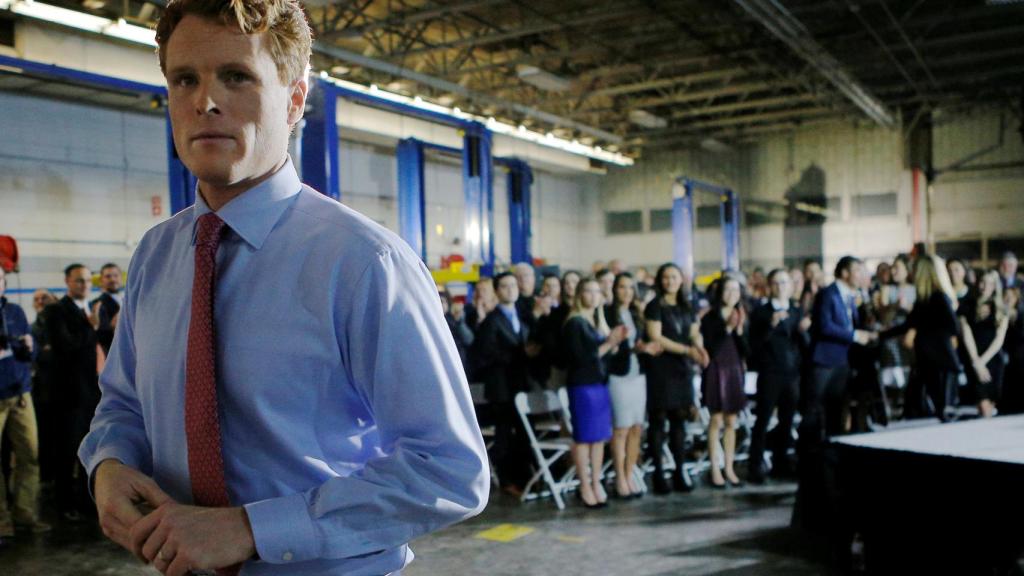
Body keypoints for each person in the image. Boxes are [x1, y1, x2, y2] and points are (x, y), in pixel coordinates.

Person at [78, 2, 488, 573]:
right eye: (184, 80)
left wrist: (251, 529)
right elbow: (123, 404)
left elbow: (447, 467)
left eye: (236, 76)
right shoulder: (157, 255)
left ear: (295, 100)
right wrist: (109, 465)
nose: (205, 102)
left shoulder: (363, 263)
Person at [644, 263, 708, 494]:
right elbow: (655, 336)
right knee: (658, 421)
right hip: (661, 368)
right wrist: (686, 351)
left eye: (674, 277)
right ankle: (659, 473)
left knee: (679, 422)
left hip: (681, 369)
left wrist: (699, 348)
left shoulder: (686, 305)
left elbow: (694, 332)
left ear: (681, 280)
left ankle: (680, 471)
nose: (670, 281)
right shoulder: (655, 306)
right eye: (666, 277)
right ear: (660, 281)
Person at [563, 277, 627, 508]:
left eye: (596, 291)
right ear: (580, 295)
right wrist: (609, 343)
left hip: (599, 384)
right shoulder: (575, 323)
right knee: (583, 438)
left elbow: (605, 354)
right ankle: (585, 485)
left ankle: (597, 481)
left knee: (599, 437)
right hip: (582, 385)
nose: (593, 296)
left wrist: (613, 343)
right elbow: (582, 358)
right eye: (588, 292)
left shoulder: (595, 321)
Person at [46, 263, 99, 522]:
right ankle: (64, 504)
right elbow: (66, 346)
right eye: (79, 280)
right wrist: (91, 328)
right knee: (67, 452)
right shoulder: (56, 310)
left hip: (91, 393)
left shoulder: (89, 308)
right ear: (67, 281)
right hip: (69, 395)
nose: (85, 285)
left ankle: (86, 502)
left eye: (88, 280)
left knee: (89, 451)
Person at [0, 268, 51, 537]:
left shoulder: (15, 313)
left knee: (29, 456)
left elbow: (28, 356)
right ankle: (1, 522)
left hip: (20, 393)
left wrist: (29, 346)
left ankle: (25, 514)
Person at [475, 272, 536, 497]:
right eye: (504, 286)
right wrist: (519, 353)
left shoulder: (522, 317)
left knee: (522, 434)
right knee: (504, 436)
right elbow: (484, 355)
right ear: (497, 291)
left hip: (520, 384)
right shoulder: (492, 321)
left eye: (513, 285)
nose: (510, 289)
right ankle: (507, 479)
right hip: (501, 388)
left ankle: (525, 476)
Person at [882, 255, 961, 420]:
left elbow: (951, 326)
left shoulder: (933, 298)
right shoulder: (929, 298)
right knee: (940, 410)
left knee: (942, 410)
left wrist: (880, 335)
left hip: (936, 360)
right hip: (936, 358)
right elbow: (911, 324)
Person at [748, 269, 808, 484]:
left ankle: (781, 461)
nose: (780, 287)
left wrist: (804, 330)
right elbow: (753, 345)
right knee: (762, 419)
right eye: (776, 283)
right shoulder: (761, 312)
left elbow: (802, 343)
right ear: (769, 286)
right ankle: (755, 464)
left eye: (784, 282)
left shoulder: (796, 310)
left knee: (787, 419)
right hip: (770, 372)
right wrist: (770, 326)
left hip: (791, 373)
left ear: (790, 286)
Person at [605, 273, 659, 499]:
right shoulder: (608, 313)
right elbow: (609, 345)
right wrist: (633, 348)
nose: (626, 292)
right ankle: (619, 478)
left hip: (639, 374)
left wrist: (645, 347)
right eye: (622, 287)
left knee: (637, 427)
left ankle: (629, 474)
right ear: (615, 290)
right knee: (621, 429)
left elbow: (642, 340)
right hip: (619, 375)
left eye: (630, 287)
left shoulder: (637, 313)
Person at [700, 275, 750, 488]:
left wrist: (738, 331)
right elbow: (710, 347)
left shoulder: (742, 314)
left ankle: (729, 467)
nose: (732, 294)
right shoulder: (710, 317)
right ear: (720, 292)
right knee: (716, 420)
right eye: (728, 290)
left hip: (735, 369)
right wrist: (727, 328)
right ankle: (714, 468)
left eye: (736, 290)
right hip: (716, 368)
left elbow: (747, 351)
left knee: (732, 421)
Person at [960, 271, 1009, 418]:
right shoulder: (967, 305)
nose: (984, 287)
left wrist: (982, 361)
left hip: (993, 359)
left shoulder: (1000, 308)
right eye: (982, 282)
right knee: (981, 404)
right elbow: (966, 333)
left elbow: (999, 339)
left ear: (995, 286)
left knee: (989, 405)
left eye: (989, 283)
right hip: (973, 357)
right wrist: (976, 362)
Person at [30, 289, 58, 487]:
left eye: (44, 298)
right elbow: (36, 355)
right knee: (45, 436)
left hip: (65, 390)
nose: (40, 302)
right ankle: (47, 478)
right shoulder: (32, 327)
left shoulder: (62, 325)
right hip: (42, 391)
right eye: (37, 299)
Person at [90, 263, 122, 356]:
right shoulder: (97, 303)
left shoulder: (129, 300)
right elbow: (101, 334)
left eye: (116, 275)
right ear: (101, 280)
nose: (113, 279)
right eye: (108, 276)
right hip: (112, 353)